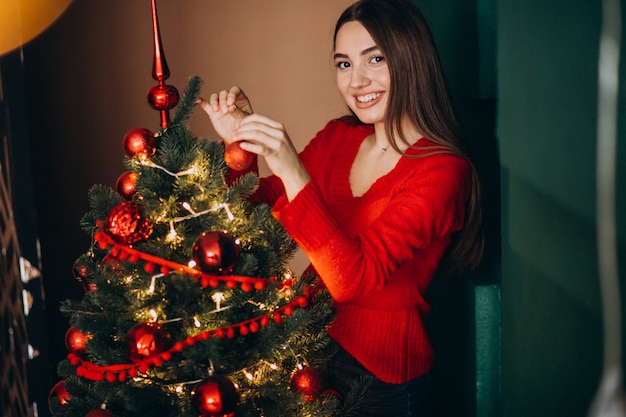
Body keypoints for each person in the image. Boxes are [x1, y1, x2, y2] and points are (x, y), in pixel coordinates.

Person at [199, 0, 484, 415]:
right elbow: (252, 211)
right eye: (344, 64)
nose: (357, 80)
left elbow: (352, 278)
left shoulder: (443, 170)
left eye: (375, 59)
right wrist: (239, 148)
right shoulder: (339, 138)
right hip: (307, 348)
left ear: (411, 60)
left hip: (382, 378)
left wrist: (294, 169)